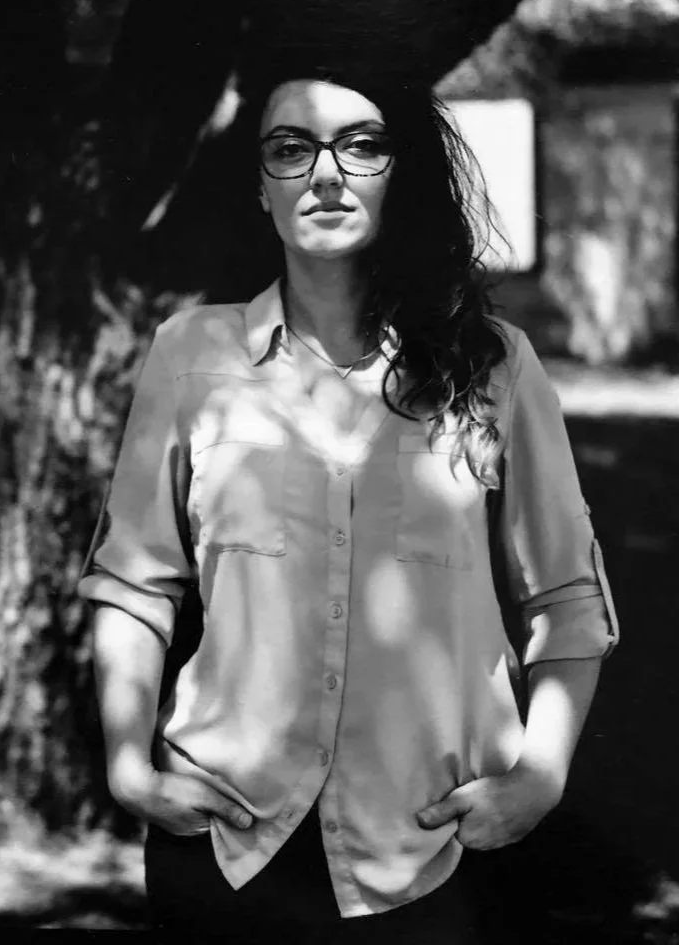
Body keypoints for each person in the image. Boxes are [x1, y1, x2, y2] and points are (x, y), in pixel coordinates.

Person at [78, 67, 618, 943]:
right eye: (290, 149)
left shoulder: (494, 365)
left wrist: (541, 776)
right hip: (226, 845)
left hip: (431, 852)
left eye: (360, 145)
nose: (324, 173)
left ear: (400, 172)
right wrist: (128, 765)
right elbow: (135, 581)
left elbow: (567, 597)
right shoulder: (189, 353)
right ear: (261, 185)